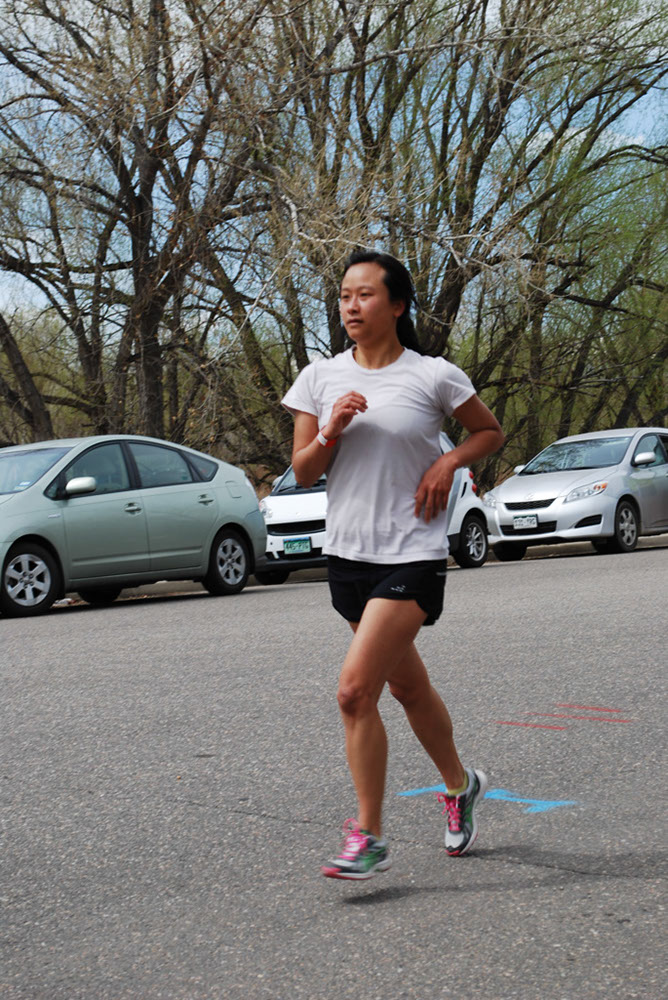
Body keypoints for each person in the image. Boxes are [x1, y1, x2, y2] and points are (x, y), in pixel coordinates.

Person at [282, 250, 505, 880]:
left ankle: (369, 836)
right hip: (349, 556)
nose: (351, 306)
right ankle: (460, 786)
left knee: (355, 691)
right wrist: (331, 429)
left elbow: (489, 433)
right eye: (344, 296)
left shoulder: (433, 375)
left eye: (365, 295)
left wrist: (446, 462)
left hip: (413, 552)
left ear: (397, 304)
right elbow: (303, 471)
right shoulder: (319, 378)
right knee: (406, 688)